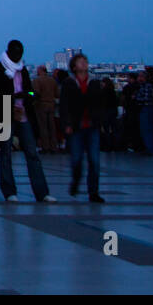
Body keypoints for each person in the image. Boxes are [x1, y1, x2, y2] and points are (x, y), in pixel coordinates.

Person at [0, 40, 55, 203]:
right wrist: (15, 97)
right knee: (6, 154)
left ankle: (41, 192)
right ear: (9, 52)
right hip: (7, 115)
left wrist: (29, 95)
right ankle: (9, 191)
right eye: (16, 53)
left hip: (23, 115)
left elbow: (30, 91)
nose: (18, 56)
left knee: (32, 154)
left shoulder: (22, 71)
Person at [59, 53, 104, 202]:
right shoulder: (69, 83)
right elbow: (64, 105)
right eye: (80, 62)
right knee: (76, 159)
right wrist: (67, 124)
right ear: (74, 66)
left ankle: (93, 192)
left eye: (85, 61)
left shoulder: (94, 82)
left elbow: (99, 103)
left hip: (92, 125)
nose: (84, 64)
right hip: (76, 126)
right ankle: (76, 180)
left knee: (94, 160)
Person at [32, 65, 59, 153]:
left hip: (41, 105)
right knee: (52, 127)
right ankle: (54, 146)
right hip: (51, 105)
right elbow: (57, 94)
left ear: (40, 71)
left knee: (43, 127)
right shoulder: (52, 80)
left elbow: (35, 93)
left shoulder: (37, 80)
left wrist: (28, 93)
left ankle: (45, 147)